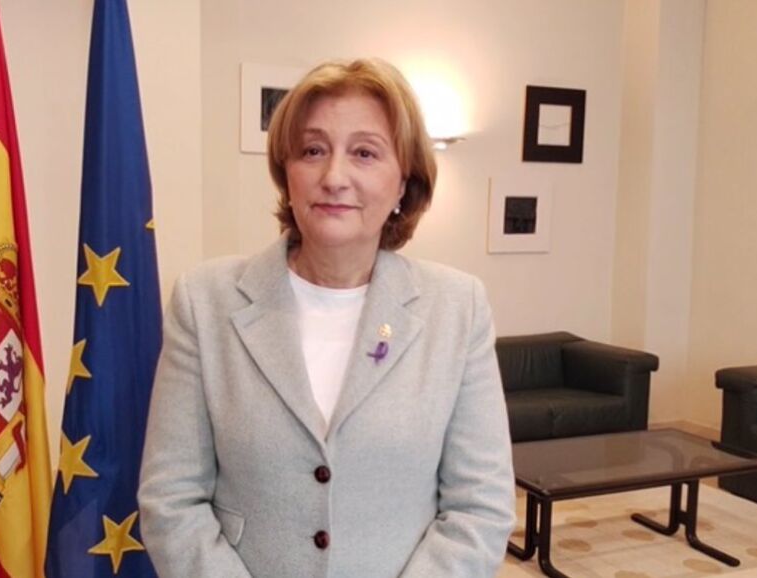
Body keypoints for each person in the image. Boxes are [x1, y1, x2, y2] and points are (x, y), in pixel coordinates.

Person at [138, 58, 515, 578]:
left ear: (402, 183)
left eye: (365, 153)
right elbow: (171, 500)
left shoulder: (458, 307)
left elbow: (481, 508)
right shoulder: (204, 301)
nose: (334, 177)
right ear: (287, 174)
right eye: (313, 150)